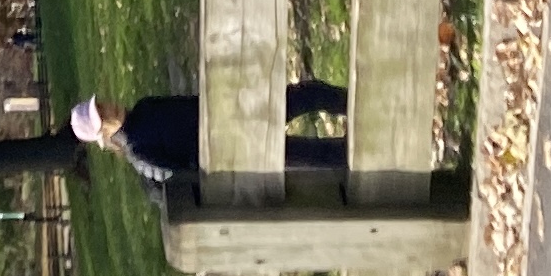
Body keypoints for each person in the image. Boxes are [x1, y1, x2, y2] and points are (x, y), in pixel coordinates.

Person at [67, 81, 349, 200]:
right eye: (101, 117)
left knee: (306, 94)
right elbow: (184, 176)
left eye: (100, 107)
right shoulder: (139, 152)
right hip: (230, 151)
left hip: (230, 115)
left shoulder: (144, 107)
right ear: (103, 134)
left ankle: (357, 103)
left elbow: (190, 103)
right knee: (311, 154)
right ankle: (360, 152)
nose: (107, 110)